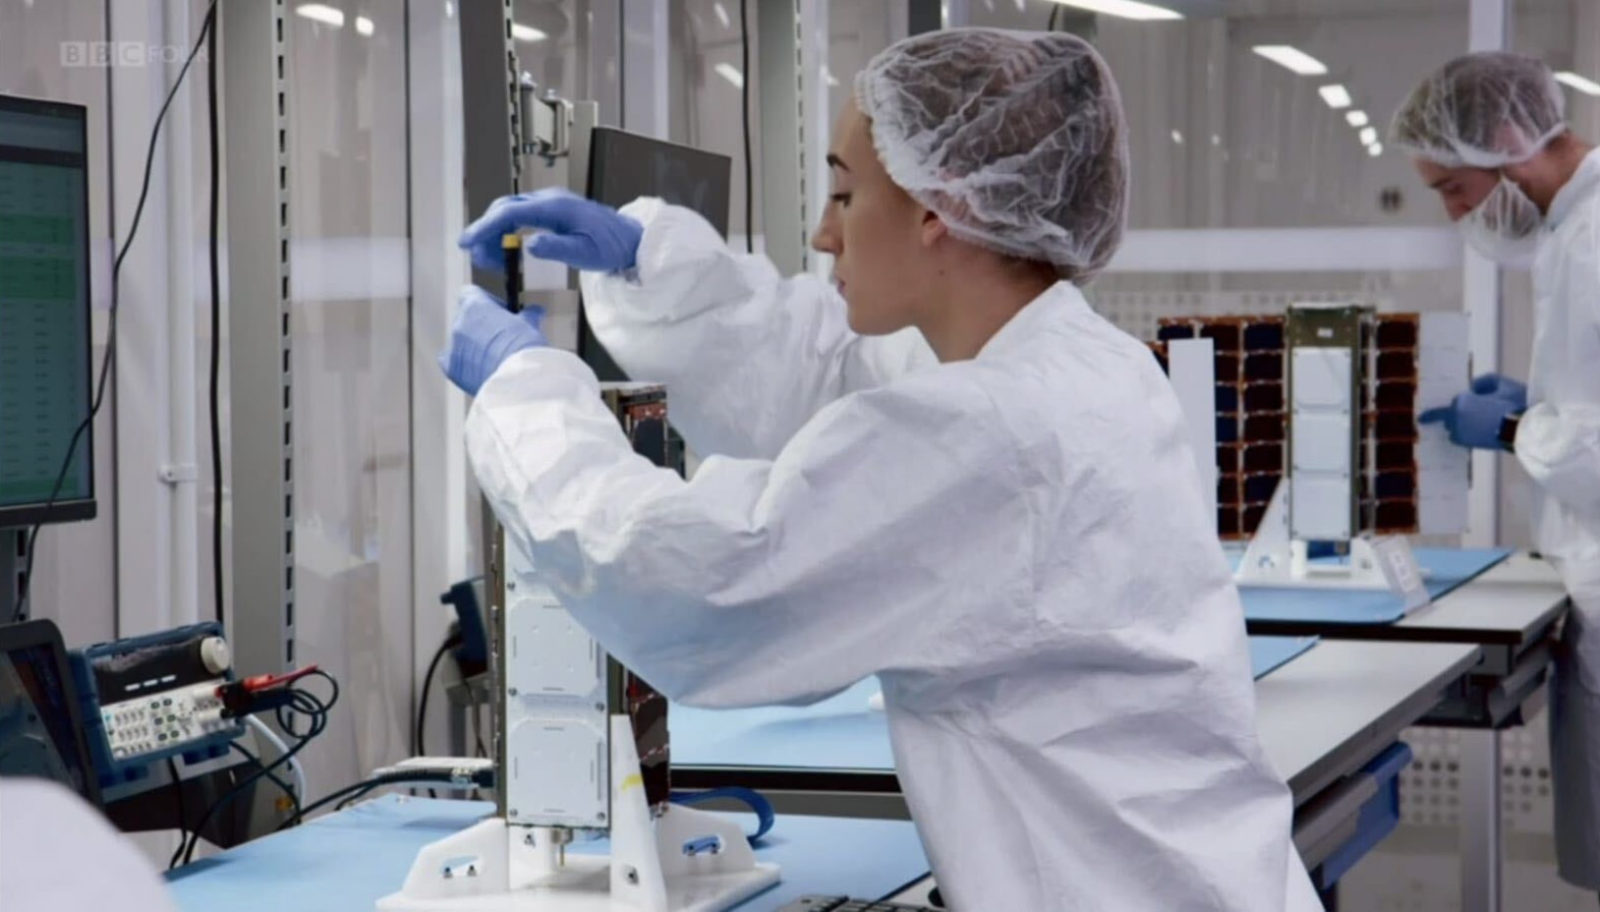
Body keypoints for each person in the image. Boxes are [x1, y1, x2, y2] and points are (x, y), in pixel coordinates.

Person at [442, 28, 1319, 910]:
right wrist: (649, 264)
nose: (824, 234)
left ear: (940, 209)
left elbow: (701, 583)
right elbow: (832, 375)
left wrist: (525, 394)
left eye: (844, 193)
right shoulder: (1078, 365)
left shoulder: (996, 433)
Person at [1394, 51, 1600, 895]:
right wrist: (1538, 407)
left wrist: (1517, 425)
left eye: (1452, 187)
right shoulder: (1572, 233)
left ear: (1510, 139)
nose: (1456, 214)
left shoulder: (1594, 243)